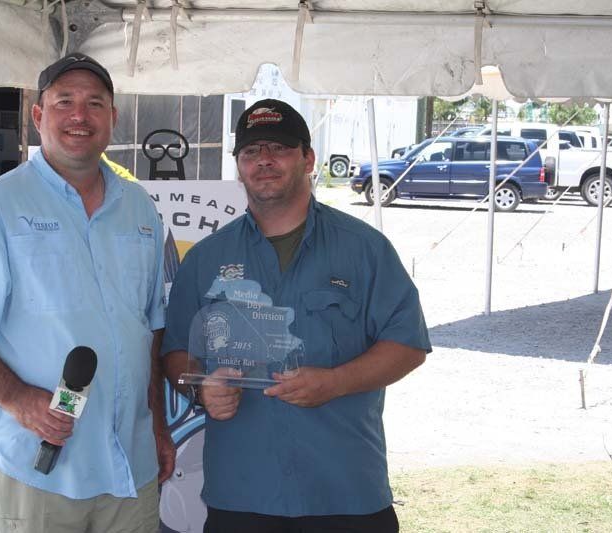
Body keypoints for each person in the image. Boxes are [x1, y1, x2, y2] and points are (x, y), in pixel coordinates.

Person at [0, 53, 174, 532]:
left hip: (129, 467)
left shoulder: (140, 208)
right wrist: (16, 398)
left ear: (113, 118)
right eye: (65, 102)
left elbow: (151, 330)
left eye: (95, 103)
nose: (80, 116)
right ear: (39, 116)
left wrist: (158, 425)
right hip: (39, 472)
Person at [162, 99, 431, 532]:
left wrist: (335, 382)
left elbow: (408, 345)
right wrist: (201, 389)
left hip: (344, 493)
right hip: (242, 494)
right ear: (239, 166)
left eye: (279, 148)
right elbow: (176, 351)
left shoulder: (364, 249)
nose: (264, 160)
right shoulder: (206, 258)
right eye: (251, 151)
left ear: (308, 158)